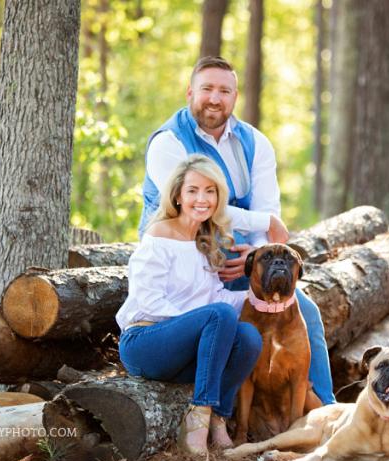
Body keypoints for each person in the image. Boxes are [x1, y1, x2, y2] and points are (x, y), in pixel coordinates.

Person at [139, 55, 335, 407]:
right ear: (189, 92)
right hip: (183, 267)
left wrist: (256, 254)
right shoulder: (167, 142)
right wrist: (263, 226)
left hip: (240, 266)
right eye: (207, 89)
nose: (215, 98)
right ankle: (228, 413)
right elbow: (201, 205)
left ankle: (326, 413)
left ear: (235, 96)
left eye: (224, 90)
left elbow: (267, 207)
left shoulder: (255, 143)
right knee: (230, 324)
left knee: (304, 311)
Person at [117, 154, 263, 458]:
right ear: (178, 196)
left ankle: (219, 419)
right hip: (146, 344)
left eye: (210, 191)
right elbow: (148, 301)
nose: (202, 199)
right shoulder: (159, 236)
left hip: (186, 353)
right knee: (218, 316)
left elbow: (218, 302)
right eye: (193, 190)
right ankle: (197, 420)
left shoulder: (204, 242)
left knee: (249, 337)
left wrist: (257, 297)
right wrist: (201, 320)